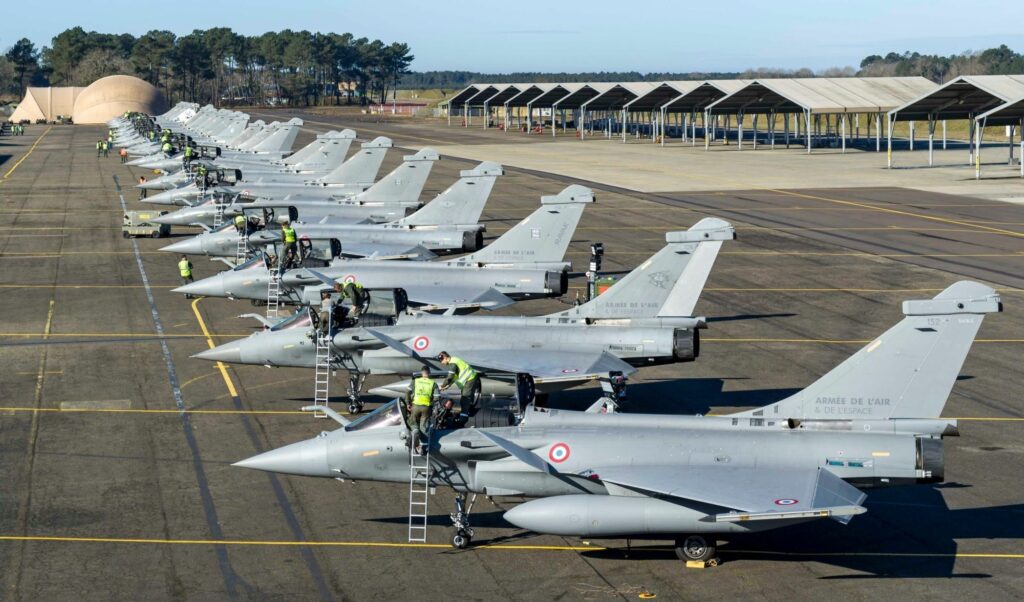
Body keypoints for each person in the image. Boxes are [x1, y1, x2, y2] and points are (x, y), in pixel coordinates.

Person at [405, 366, 440, 454]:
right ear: (429, 373)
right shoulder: (433, 383)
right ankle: (423, 447)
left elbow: (407, 392)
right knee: (424, 427)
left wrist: (408, 403)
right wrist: (431, 405)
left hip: (415, 406)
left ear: (422, 373)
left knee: (412, 421)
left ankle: (415, 431)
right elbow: (437, 398)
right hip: (426, 407)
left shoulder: (415, 381)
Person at [437, 351, 480, 416]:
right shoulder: (454, 360)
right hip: (468, 379)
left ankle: (464, 416)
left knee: (465, 398)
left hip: (470, 378)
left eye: (441, 360)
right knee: (466, 397)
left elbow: (449, 377)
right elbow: (455, 376)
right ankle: (469, 410)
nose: (441, 362)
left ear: (445, 358)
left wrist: (442, 386)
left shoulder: (453, 364)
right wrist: (448, 385)